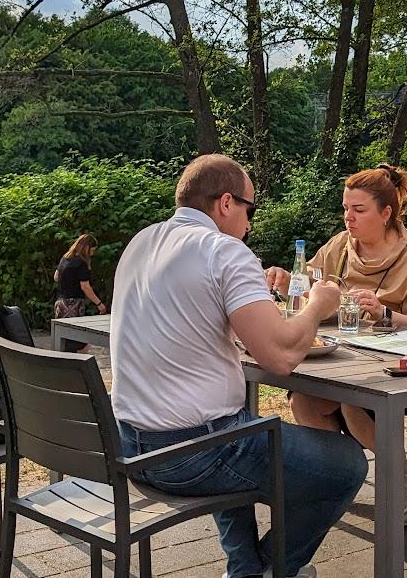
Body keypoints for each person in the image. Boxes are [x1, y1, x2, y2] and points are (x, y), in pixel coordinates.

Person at [110, 154, 367, 578]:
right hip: (191, 454)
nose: (250, 223)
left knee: (239, 425)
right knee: (345, 465)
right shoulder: (223, 250)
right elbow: (280, 357)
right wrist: (319, 305)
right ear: (226, 203)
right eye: (251, 209)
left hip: (131, 445)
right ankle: (274, 567)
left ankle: (246, 569)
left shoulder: (143, 241)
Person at [265, 163, 407, 526]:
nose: (348, 217)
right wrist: (286, 283)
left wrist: (386, 313)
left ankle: (402, 477)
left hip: (391, 367)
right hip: (340, 355)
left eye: (358, 210)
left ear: (386, 212)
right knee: (304, 399)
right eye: (346, 208)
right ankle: (339, 477)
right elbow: (308, 284)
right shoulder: (341, 247)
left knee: (351, 401)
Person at [54, 232, 107, 319]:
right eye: (92, 250)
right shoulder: (81, 264)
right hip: (73, 304)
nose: (92, 254)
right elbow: (85, 287)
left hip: (60, 302)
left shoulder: (65, 258)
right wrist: (99, 303)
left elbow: (56, 277)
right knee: (73, 331)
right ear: (86, 248)